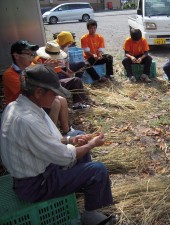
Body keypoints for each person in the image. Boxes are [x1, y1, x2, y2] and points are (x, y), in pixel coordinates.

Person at [0, 64, 114, 225]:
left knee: (77, 135)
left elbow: (44, 141)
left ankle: (81, 185)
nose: (56, 98)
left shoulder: (18, 107)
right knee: (98, 170)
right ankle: (90, 214)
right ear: (39, 92)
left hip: (37, 169)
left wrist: (70, 140)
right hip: (36, 185)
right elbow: (65, 157)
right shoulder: (27, 121)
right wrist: (91, 145)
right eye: (53, 93)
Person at [2, 40, 70, 134]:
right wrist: (45, 68)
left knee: (61, 99)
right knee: (55, 102)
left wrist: (47, 69)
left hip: (35, 100)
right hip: (23, 107)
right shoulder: (9, 75)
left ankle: (67, 130)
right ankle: (50, 134)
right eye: (28, 54)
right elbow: (28, 91)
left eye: (32, 54)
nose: (31, 57)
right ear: (16, 56)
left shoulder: (32, 66)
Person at [35, 41, 90, 110]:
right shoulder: (38, 61)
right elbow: (39, 78)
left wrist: (67, 71)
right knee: (74, 80)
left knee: (76, 80)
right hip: (47, 85)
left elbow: (58, 69)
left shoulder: (52, 60)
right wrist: (45, 68)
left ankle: (77, 104)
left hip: (55, 80)